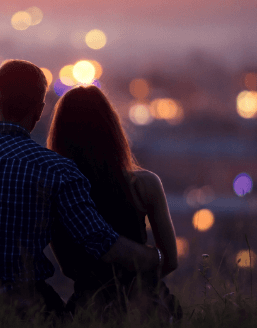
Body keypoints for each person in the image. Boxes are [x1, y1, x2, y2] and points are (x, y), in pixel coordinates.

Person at [0, 60, 163, 317]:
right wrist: (155, 258)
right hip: (27, 310)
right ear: (39, 111)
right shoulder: (56, 170)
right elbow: (101, 243)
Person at [47, 85, 180, 319]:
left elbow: (68, 267)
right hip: (149, 302)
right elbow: (169, 260)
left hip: (89, 307)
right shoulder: (145, 185)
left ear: (60, 135)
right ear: (112, 129)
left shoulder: (58, 191)